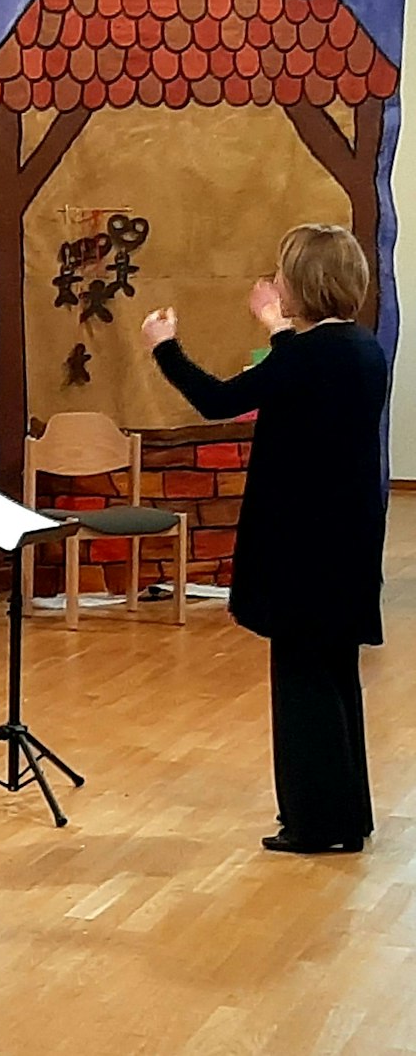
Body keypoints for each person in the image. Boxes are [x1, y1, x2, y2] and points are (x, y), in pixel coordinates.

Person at [142, 224, 385, 855]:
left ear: (303, 283)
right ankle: (346, 815)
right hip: (346, 540)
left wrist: (164, 346)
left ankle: (312, 823)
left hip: (301, 544)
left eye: (282, 276)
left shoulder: (305, 358)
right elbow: (299, 370)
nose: (273, 285)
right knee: (336, 677)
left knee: (302, 683)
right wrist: (277, 325)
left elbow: (218, 399)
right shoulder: (361, 347)